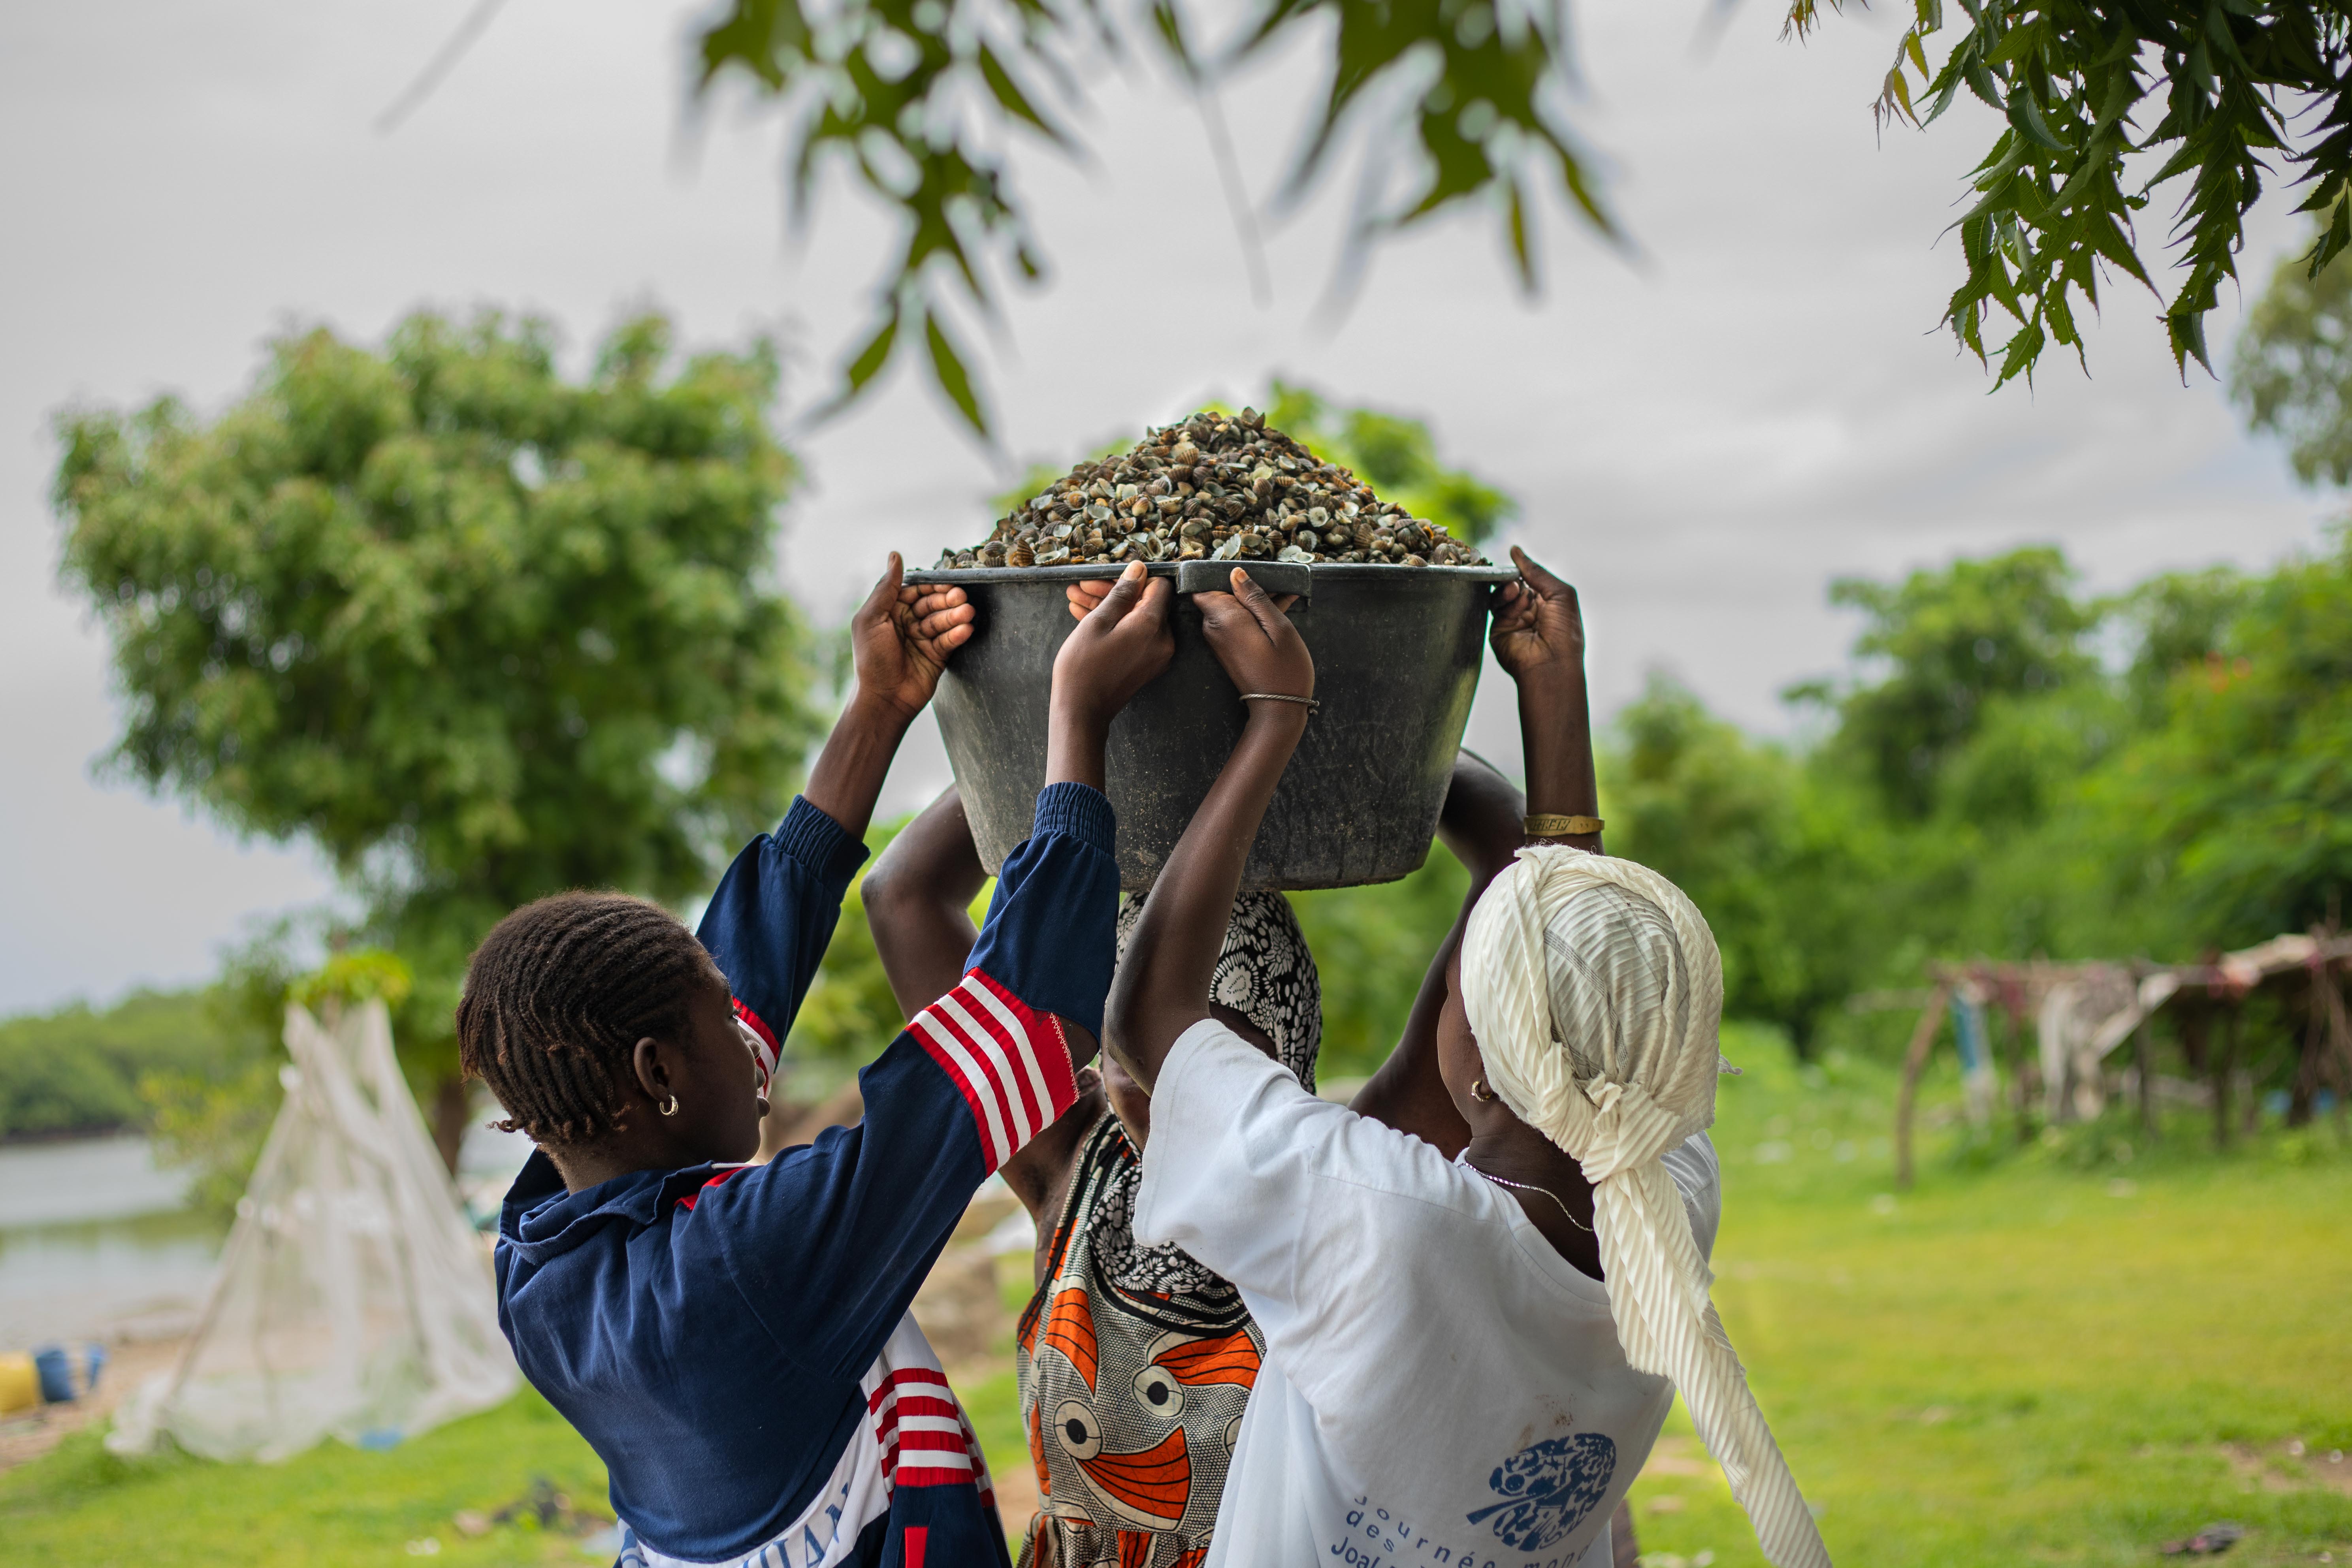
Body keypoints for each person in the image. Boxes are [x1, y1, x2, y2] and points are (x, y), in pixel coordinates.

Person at [1105, 551, 1832, 1568]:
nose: (1437, 993)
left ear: (1490, 1060)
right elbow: (1569, 950)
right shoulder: (1666, 1192)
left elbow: (1150, 1017)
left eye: (1455, 981)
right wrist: (1555, 698)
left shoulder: (1387, 1225)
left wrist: (1275, 716)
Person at [460, 556, 1176, 1568]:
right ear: (659, 1073)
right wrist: (1077, 715)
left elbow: (736, 978)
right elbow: (1014, 1024)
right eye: (721, 1022)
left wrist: (878, 708)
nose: (754, 1043)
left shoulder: (541, 1259)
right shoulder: (746, 1261)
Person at [864, 786, 1323, 1568]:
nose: (1147, 1068)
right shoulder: (1076, 1167)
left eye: (1193, 1034)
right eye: (1123, 1027)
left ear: (1283, 1037)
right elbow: (904, 895)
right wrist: (1065, 724)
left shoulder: (1362, 1197)